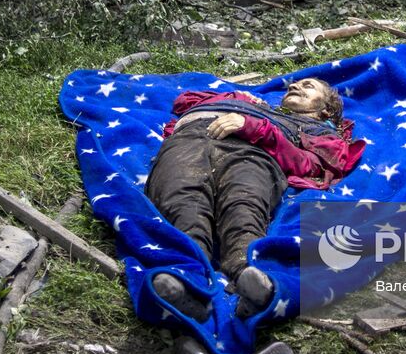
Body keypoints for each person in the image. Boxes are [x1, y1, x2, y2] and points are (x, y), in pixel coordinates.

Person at [145, 77, 365, 321]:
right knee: (183, 201)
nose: (294, 86)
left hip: (252, 153)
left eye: (308, 86)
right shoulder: (251, 103)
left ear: (326, 110)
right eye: (295, 84)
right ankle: (188, 281)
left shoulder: (321, 133)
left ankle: (249, 281)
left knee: (243, 206)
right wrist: (235, 99)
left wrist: (256, 129)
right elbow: (184, 102)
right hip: (188, 140)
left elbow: (310, 166)